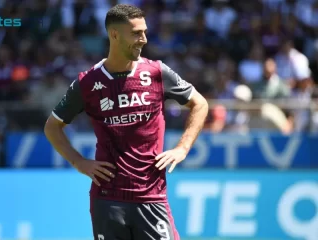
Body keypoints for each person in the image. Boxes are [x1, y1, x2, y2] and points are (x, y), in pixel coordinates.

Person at [44, 4, 208, 240]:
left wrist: (182, 148)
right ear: (114, 34)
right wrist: (79, 162)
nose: (143, 39)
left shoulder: (157, 72)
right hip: (108, 199)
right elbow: (53, 126)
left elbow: (200, 104)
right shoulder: (88, 82)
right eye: (136, 33)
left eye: (144, 32)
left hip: (152, 196)